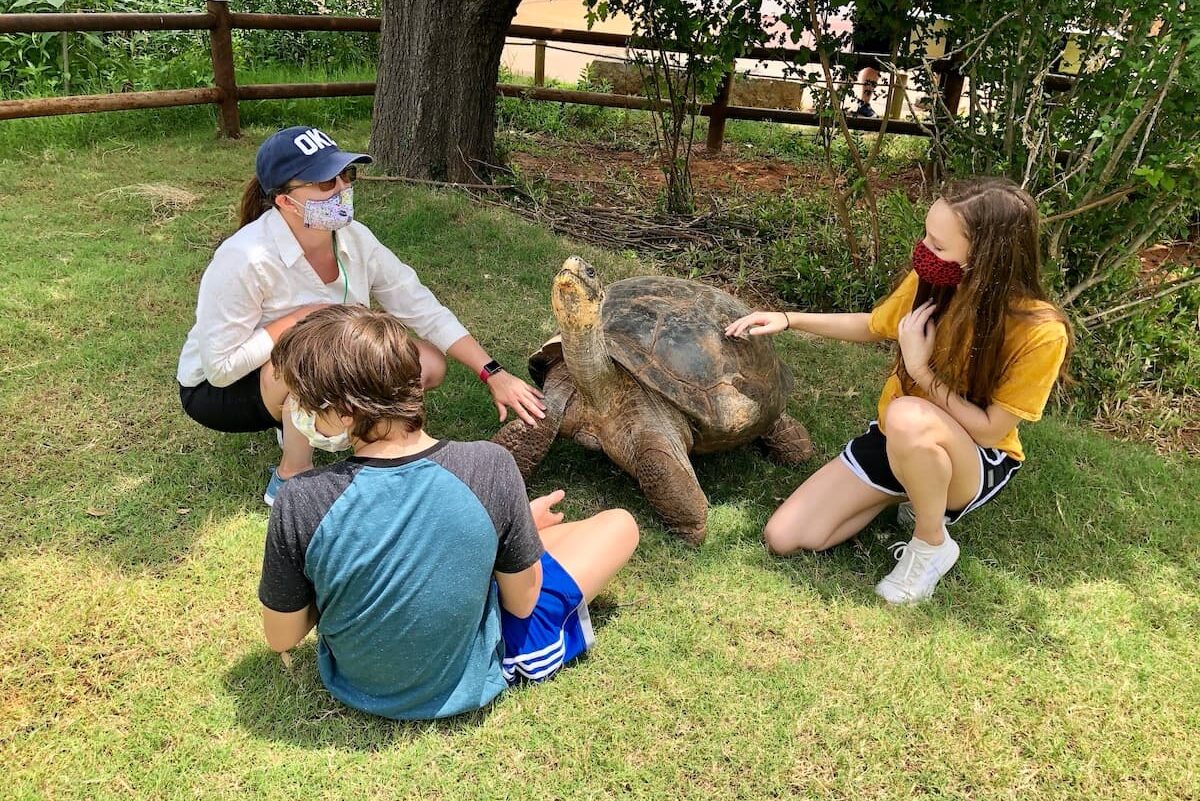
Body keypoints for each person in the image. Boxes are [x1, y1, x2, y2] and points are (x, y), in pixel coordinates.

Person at [258, 305, 638, 720]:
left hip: (355, 682)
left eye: (311, 404)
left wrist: (335, 583)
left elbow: (282, 637)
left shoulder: (300, 500)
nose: (304, 414)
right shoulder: (489, 467)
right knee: (619, 525)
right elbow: (523, 603)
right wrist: (509, 532)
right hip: (472, 672)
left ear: (347, 413)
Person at [725, 177, 1072, 604]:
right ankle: (915, 486)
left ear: (988, 256)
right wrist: (788, 319)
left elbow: (988, 430)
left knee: (907, 414)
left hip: (974, 456)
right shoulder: (933, 277)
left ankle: (930, 542)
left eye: (939, 245)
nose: (924, 250)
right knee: (786, 537)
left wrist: (921, 371)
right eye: (926, 233)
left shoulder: (1041, 331)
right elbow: (874, 324)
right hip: (901, 436)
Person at [177, 126, 546, 505]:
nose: (340, 188)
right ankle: (291, 477)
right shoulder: (244, 258)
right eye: (324, 182)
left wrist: (492, 372)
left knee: (426, 363)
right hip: (221, 391)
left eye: (345, 175)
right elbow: (220, 368)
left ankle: (355, 437)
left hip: (312, 360)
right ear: (285, 201)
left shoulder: (355, 237)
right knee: (311, 353)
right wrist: (296, 320)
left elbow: (419, 305)